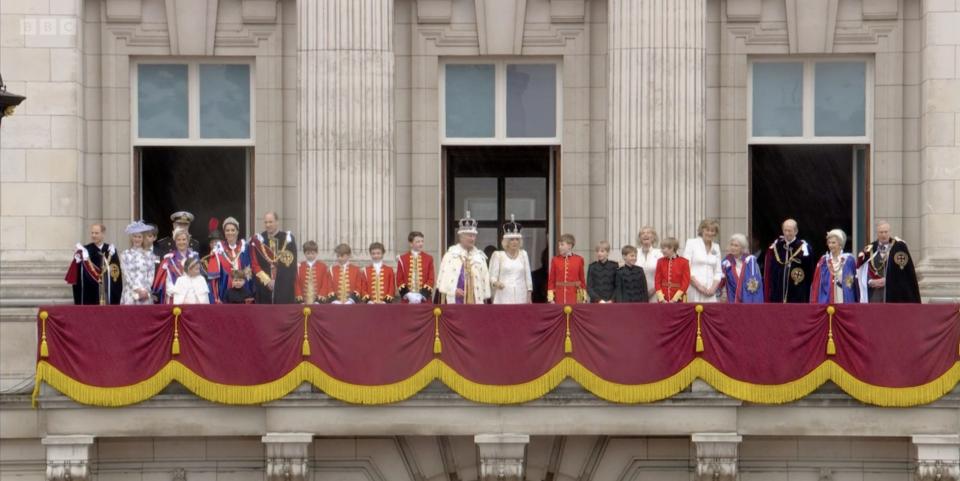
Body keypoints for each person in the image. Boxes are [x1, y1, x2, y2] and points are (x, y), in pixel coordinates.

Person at [856, 221, 921, 303]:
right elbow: (862, 270)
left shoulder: (899, 247)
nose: (883, 235)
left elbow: (905, 272)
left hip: (894, 294)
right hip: (875, 294)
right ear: (877, 233)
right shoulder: (870, 249)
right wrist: (870, 281)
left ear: (890, 232)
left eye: (886, 232)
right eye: (881, 232)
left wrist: (888, 280)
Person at [437, 211, 491, 304]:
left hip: (475, 303)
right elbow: (442, 280)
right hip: (455, 301)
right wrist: (453, 290)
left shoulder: (480, 257)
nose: (472, 238)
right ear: (461, 237)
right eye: (469, 235)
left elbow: (484, 283)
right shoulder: (450, 255)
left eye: (474, 236)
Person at [65, 223, 122, 305]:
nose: (93, 235)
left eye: (96, 233)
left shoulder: (111, 251)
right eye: (92, 233)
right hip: (89, 295)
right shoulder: (85, 251)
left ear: (103, 234)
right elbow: (77, 276)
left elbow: (116, 275)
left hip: (106, 295)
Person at [249, 212, 298, 304]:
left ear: (277, 222)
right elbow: (255, 264)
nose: (268, 225)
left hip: (283, 287)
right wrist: (267, 281)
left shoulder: (288, 239)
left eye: (270, 222)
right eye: (266, 222)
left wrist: (278, 282)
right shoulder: (258, 240)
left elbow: (291, 265)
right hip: (264, 287)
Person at [763, 218, 814, 303]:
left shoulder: (804, 248)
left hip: (797, 292)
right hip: (778, 292)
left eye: (790, 231)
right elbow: (770, 271)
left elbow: (809, 273)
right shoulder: (776, 247)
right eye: (785, 230)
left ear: (796, 231)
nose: (787, 233)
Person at [205, 216, 253, 304]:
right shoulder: (218, 250)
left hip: (243, 293)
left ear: (237, 231)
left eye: (233, 230)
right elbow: (213, 278)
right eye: (227, 230)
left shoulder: (244, 248)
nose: (230, 233)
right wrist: (216, 297)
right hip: (224, 293)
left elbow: (248, 272)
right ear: (224, 232)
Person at [488, 216, 533, 304]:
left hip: (521, 295)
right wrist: (496, 283)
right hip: (503, 295)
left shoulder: (523, 254)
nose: (515, 242)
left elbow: (528, 277)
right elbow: (492, 277)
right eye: (512, 240)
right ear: (506, 242)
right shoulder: (498, 255)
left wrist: (529, 295)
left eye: (517, 239)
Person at [811, 229, 859, 304]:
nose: (830, 245)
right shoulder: (824, 261)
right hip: (827, 300)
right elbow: (816, 283)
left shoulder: (849, 260)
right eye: (829, 243)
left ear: (840, 244)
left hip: (845, 298)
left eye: (833, 243)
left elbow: (854, 283)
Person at [152, 228, 199, 304]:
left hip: (192, 299)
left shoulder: (195, 257)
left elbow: (198, 279)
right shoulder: (168, 259)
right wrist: (178, 293)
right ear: (175, 241)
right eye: (178, 240)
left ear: (188, 241)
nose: (181, 242)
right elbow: (167, 283)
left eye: (184, 239)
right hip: (175, 298)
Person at [683, 219, 723, 303]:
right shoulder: (691, 243)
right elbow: (685, 268)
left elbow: (718, 272)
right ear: (702, 230)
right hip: (694, 289)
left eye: (712, 231)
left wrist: (713, 289)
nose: (710, 233)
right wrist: (699, 287)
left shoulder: (716, 247)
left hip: (710, 292)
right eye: (707, 230)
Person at [119, 221, 158, 305]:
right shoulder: (125, 254)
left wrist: (145, 290)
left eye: (139, 237)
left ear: (143, 238)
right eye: (135, 236)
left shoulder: (149, 254)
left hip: (145, 292)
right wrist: (136, 289)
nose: (137, 239)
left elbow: (151, 274)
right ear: (131, 238)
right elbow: (126, 274)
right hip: (130, 292)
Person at [721, 233, 764, 304]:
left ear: (742, 248)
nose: (733, 247)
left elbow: (755, 284)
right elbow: (721, 281)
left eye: (736, 245)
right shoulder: (726, 261)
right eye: (731, 245)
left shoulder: (750, 261)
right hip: (732, 301)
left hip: (749, 301)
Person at [396, 231, 435, 304]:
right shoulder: (402, 259)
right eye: (418, 242)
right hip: (407, 300)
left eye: (422, 241)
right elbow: (399, 279)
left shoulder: (429, 258)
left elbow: (431, 279)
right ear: (411, 243)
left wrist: (422, 295)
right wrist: (408, 295)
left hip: (424, 300)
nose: (421, 244)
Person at [547, 233, 586, 304]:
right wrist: (551, 298)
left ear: (569, 246)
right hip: (559, 296)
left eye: (562, 245)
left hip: (575, 297)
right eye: (559, 245)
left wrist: (583, 297)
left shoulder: (579, 259)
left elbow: (582, 279)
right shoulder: (555, 260)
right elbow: (551, 280)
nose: (559, 247)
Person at [654, 237, 690, 303]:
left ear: (672, 248)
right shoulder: (660, 261)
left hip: (679, 299)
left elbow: (685, 283)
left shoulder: (684, 262)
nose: (661, 251)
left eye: (663, 248)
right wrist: (661, 299)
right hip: (663, 299)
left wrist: (675, 299)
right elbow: (657, 281)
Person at [637, 226, 663, 303]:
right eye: (642, 233)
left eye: (648, 232)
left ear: (653, 237)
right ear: (640, 238)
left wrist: (654, 289)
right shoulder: (634, 253)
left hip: (656, 293)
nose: (645, 235)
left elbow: (664, 275)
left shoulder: (660, 253)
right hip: (637, 294)